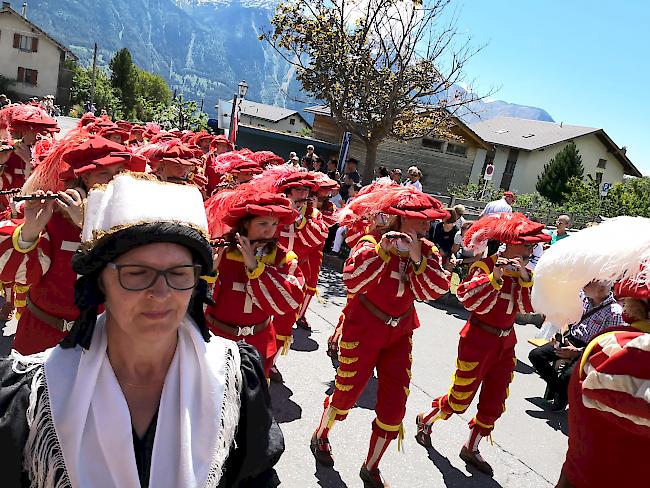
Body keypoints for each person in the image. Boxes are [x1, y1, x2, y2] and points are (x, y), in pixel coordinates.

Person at [0, 172, 283, 487]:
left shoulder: (234, 378)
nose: (161, 293)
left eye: (179, 273)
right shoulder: (37, 392)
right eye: (136, 273)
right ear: (99, 283)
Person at [311, 185, 451, 488]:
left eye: (429, 221)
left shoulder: (427, 250)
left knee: (395, 404)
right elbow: (352, 280)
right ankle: (321, 435)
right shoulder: (370, 242)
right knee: (346, 393)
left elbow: (435, 291)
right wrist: (384, 252)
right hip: (364, 328)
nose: (427, 226)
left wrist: (416, 256)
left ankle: (370, 467)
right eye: (420, 221)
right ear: (398, 220)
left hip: (400, 333)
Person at [415, 212, 551, 476]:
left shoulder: (525, 273)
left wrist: (523, 276)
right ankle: (427, 419)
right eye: (526, 244)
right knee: (459, 398)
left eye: (532, 245)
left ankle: (471, 447)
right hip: (478, 339)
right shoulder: (484, 267)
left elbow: (528, 308)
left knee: (495, 400)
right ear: (510, 243)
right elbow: (471, 302)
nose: (530, 249)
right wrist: (497, 277)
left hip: (506, 342)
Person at [529, 216, 650, 488]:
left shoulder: (616, 316)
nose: (587, 286)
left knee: (564, 377)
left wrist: (575, 352)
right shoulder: (626, 349)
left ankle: (557, 394)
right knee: (538, 357)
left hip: (583, 350)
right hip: (581, 346)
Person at [0, 133, 146, 355]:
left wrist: (87, 224)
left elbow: (133, 278)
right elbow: (18, 275)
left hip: (100, 340)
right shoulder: (56, 217)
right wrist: (32, 228)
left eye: (119, 173)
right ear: (85, 178)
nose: (113, 180)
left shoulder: (133, 220)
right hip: (42, 336)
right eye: (103, 173)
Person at [203, 186, 305, 376]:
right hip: (216, 340)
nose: (270, 231)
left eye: (274, 224)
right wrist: (211, 271)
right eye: (263, 223)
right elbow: (196, 304)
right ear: (245, 224)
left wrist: (256, 268)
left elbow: (290, 299)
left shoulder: (283, 258)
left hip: (259, 342)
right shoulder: (221, 250)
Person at [529, 281, 624, 410]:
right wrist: (561, 333)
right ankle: (561, 392)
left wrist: (578, 351)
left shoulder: (615, 312)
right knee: (536, 355)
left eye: (588, 284)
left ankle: (559, 399)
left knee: (568, 376)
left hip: (590, 350)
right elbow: (568, 318)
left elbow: (609, 344)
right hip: (570, 338)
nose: (583, 285)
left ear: (601, 289)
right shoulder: (582, 296)